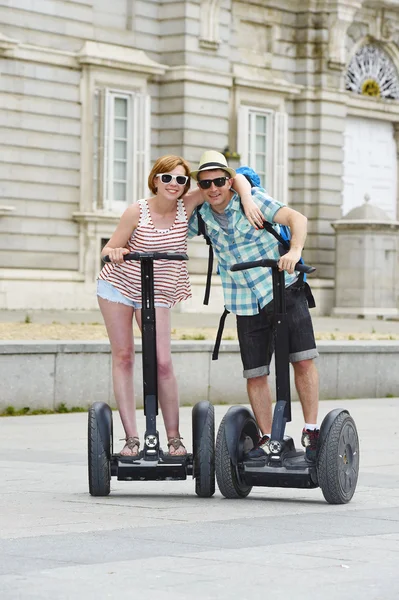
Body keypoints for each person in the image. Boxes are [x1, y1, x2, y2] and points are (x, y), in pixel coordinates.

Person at [97, 154, 259, 457]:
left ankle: (173, 438)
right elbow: (109, 247)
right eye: (167, 177)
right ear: (155, 180)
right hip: (118, 286)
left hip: (157, 292)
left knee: (162, 362)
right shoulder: (137, 211)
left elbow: (234, 177)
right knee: (124, 357)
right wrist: (116, 252)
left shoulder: (188, 204)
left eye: (181, 179)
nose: (174, 184)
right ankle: (132, 439)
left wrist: (248, 201)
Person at [188, 151, 320, 461]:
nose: (213, 189)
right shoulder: (202, 215)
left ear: (230, 180)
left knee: (301, 360)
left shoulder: (254, 199)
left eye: (219, 181)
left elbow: (296, 219)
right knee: (256, 374)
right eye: (206, 184)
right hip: (244, 301)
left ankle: (312, 430)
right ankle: (268, 437)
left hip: (285, 288)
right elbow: (171, 219)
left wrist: (295, 251)